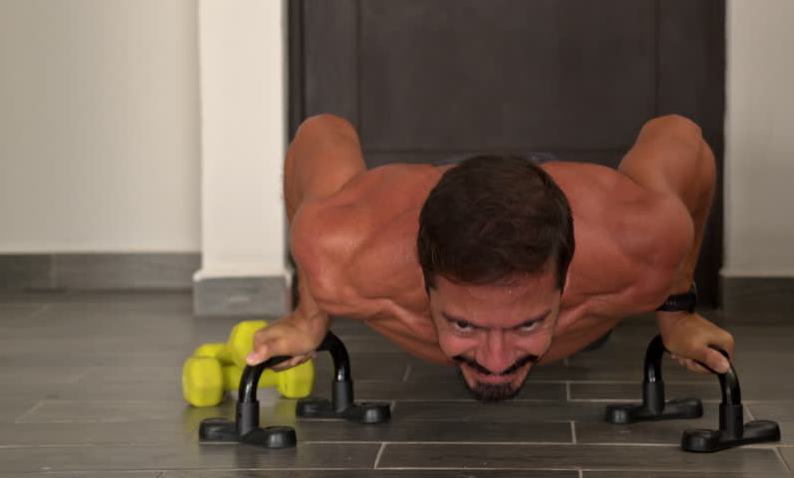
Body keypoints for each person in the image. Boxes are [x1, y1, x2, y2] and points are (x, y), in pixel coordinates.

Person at [247, 113, 735, 402]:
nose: (495, 362)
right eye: (464, 325)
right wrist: (308, 315)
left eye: (526, 324)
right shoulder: (340, 251)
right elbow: (320, 134)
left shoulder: (641, 240)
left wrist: (677, 313)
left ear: (567, 278)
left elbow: (681, 136)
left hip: (580, 214)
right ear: (425, 282)